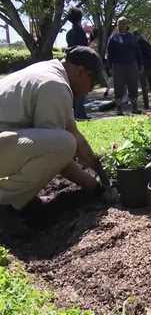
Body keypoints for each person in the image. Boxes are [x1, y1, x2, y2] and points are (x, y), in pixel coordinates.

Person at [0, 46, 109, 234]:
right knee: (63, 145)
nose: (90, 90)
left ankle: (21, 197)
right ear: (80, 72)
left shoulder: (51, 72)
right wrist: (94, 186)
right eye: (92, 83)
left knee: (64, 141)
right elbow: (59, 154)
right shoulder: (55, 86)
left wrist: (97, 166)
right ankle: (5, 204)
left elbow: (72, 131)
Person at [107, 17, 143, 115]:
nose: (121, 25)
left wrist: (140, 65)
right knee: (118, 87)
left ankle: (134, 108)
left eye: (123, 23)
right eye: (119, 24)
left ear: (127, 25)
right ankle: (119, 109)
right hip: (118, 66)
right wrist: (109, 67)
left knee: (133, 86)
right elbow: (110, 54)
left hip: (132, 65)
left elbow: (138, 52)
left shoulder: (132, 37)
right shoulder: (113, 38)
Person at [66, 7, 90, 120]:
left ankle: (76, 114)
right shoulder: (81, 32)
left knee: (74, 90)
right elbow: (85, 47)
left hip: (71, 64)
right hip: (81, 63)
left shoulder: (69, 33)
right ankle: (80, 115)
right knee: (81, 90)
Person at [133, 30, 151, 109]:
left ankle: (146, 106)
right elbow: (150, 54)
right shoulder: (147, 43)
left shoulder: (136, 45)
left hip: (142, 68)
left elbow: (137, 57)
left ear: (136, 36)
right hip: (150, 66)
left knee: (144, 87)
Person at [89, 27, 111, 99]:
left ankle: (106, 92)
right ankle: (106, 92)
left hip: (95, 63)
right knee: (105, 78)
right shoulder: (98, 42)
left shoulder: (91, 43)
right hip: (98, 63)